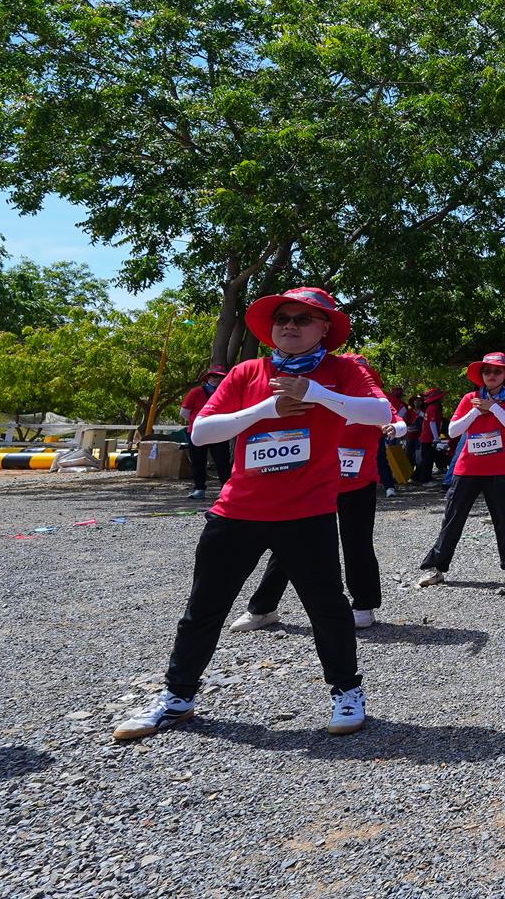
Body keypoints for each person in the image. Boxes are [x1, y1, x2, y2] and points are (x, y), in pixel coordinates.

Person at [113, 287, 389, 741]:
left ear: (325, 328)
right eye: (283, 318)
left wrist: (316, 393)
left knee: (328, 608)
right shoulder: (247, 371)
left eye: (303, 319)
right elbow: (202, 432)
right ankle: (177, 698)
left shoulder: (342, 370)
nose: (290, 326)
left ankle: (346, 691)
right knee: (204, 608)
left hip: (307, 513)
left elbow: (379, 411)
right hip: (237, 510)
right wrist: (267, 409)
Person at [229, 352, 405, 634]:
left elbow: (393, 419)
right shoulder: (318, 395)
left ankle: (363, 605)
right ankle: (263, 608)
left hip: (357, 484)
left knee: (357, 543)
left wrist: (393, 428)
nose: (357, 378)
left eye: (363, 375)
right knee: (290, 544)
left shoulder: (371, 401)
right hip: (316, 484)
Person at [417, 352, 505, 587]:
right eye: (487, 371)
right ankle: (437, 568)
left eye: (497, 371)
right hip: (467, 468)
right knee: (453, 518)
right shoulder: (470, 398)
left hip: (501, 469)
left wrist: (494, 408)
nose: (491, 375)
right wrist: (477, 410)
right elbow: (454, 430)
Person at [179, 365, 233, 500]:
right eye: (214, 376)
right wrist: (198, 422)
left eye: (220, 377)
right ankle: (199, 488)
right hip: (198, 432)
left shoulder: (226, 393)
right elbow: (184, 413)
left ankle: (225, 489)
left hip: (219, 431)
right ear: (208, 378)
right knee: (198, 460)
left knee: (222, 460)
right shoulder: (196, 392)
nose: (217, 379)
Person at [411, 389, 446, 484]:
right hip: (429, 438)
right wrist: (436, 438)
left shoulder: (430, 407)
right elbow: (432, 423)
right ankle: (425, 480)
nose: (444, 398)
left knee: (425, 458)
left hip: (425, 437)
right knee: (428, 459)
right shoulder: (434, 408)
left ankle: (416, 477)